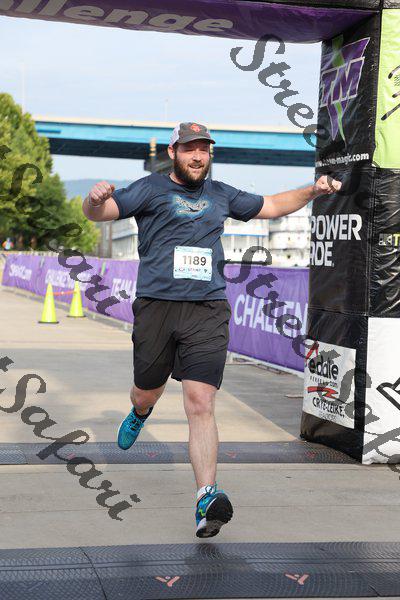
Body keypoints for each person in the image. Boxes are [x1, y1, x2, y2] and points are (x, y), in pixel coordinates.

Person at [82, 121, 341, 538]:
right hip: (157, 308)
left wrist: (314, 190)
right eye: (189, 149)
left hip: (207, 309)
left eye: (203, 149)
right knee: (146, 389)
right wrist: (93, 200)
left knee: (201, 402)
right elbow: (101, 213)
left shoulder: (221, 194)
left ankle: (206, 497)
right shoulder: (149, 189)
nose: (197, 156)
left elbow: (273, 205)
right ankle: (141, 411)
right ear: (173, 153)